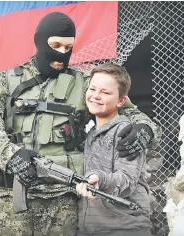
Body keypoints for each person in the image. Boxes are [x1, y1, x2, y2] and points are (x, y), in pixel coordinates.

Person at [0, 12, 161, 236]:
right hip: (11, 198)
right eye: (56, 45)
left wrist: (145, 129)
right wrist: (10, 156)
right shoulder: (4, 81)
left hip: (65, 201)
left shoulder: (86, 83)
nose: (62, 53)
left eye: (68, 46)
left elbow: (132, 113)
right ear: (40, 41)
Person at [75, 64, 152, 236]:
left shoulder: (127, 132)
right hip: (92, 227)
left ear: (121, 101)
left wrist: (99, 179)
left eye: (105, 92)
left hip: (125, 228)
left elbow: (127, 180)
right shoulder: (90, 132)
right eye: (92, 89)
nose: (95, 96)